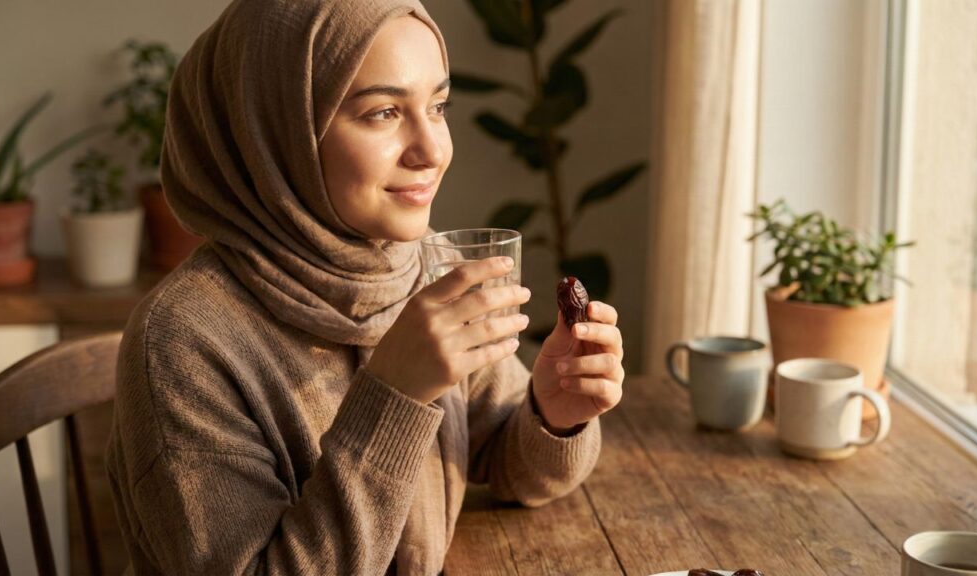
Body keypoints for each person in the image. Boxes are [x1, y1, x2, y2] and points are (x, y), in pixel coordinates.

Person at [105, 0, 625, 574]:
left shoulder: (416, 264)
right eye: (382, 112)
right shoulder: (182, 342)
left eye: (438, 105)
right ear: (273, 131)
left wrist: (553, 414)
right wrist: (394, 395)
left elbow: (512, 467)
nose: (433, 151)